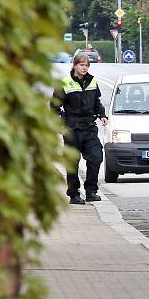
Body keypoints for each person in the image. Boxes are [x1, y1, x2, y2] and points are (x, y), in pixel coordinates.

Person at [51, 53, 107, 204]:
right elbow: (54, 107)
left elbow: (97, 102)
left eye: (87, 65)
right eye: (82, 65)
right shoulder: (65, 83)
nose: (85, 68)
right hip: (72, 128)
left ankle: (91, 191)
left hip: (89, 127)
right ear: (74, 65)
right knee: (72, 162)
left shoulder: (92, 81)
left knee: (96, 157)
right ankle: (74, 194)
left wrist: (102, 114)